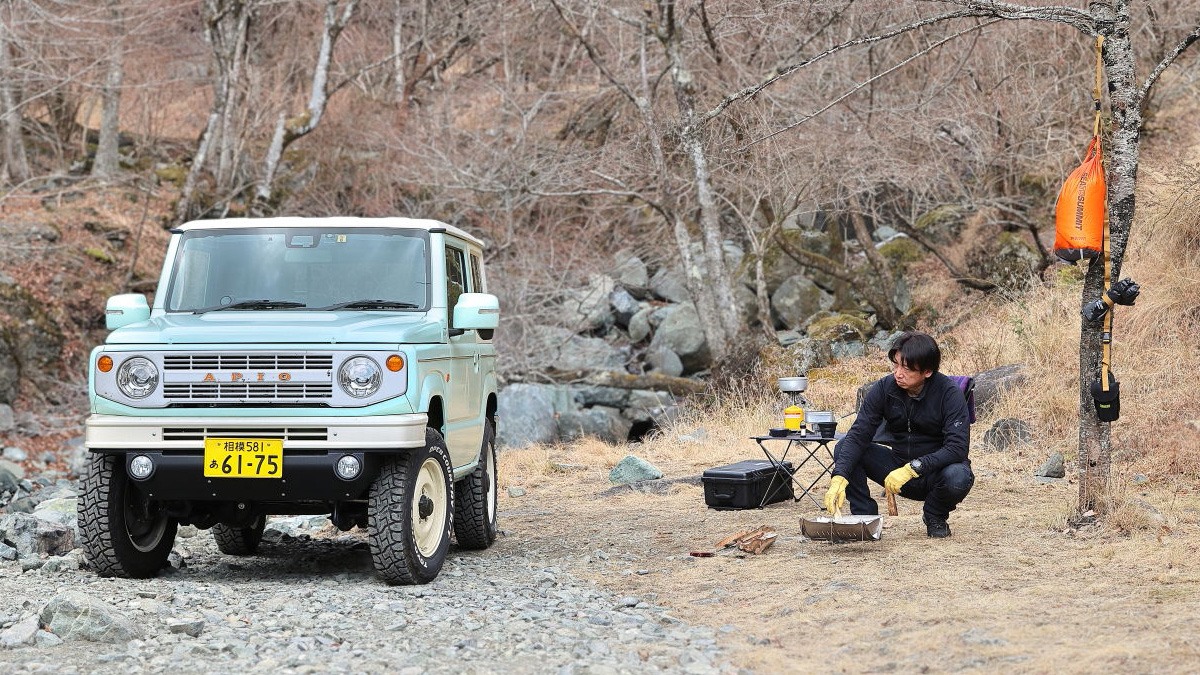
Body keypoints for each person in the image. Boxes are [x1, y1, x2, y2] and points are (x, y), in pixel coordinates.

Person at [822, 331, 974, 538]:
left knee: (960, 476)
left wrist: (914, 468)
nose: (898, 373)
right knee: (845, 448)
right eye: (895, 365)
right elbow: (859, 434)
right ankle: (865, 520)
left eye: (907, 368)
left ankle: (935, 516)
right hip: (895, 468)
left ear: (927, 371)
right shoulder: (884, 388)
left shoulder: (949, 393)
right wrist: (839, 477)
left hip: (934, 472)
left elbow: (957, 448)